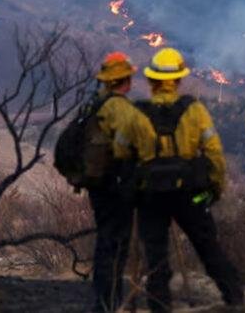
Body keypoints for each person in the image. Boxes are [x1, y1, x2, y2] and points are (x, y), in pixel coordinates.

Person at [115, 48, 243, 311]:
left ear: (151, 81)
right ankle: (236, 299)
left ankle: (159, 307)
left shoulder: (135, 114)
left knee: (156, 260)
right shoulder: (194, 111)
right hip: (190, 194)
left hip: (150, 196)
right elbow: (215, 153)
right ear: (179, 79)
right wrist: (215, 188)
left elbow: (120, 152)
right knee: (208, 247)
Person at [90, 52, 147, 312]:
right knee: (117, 246)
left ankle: (103, 300)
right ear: (126, 79)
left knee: (104, 241)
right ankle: (110, 303)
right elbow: (130, 148)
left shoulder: (95, 104)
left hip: (97, 185)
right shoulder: (121, 109)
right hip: (117, 185)